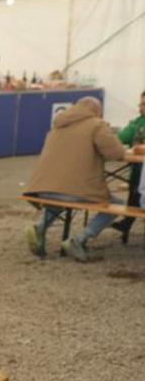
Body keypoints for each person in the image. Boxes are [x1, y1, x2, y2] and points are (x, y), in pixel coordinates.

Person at [23, 96, 145, 260]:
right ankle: (79, 239)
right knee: (117, 205)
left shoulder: (58, 125)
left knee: (62, 191)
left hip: (41, 189)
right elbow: (116, 153)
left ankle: (40, 227)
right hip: (74, 192)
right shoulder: (96, 124)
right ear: (96, 111)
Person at [110, 89, 145, 236]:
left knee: (137, 181)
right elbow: (121, 137)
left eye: (144, 104)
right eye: (141, 103)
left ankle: (128, 221)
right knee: (136, 179)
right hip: (138, 163)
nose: (141, 107)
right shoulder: (138, 121)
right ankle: (128, 220)